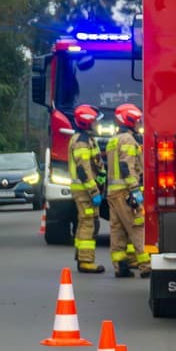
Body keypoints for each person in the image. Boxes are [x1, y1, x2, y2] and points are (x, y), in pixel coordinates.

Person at [105, 103, 151, 279]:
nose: (139, 124)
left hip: (113, 193)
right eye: (137, 120)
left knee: (117, 229)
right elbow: (126, 166)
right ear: (130, 120)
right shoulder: (128, 140)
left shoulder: (113, 140)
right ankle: (145, 266)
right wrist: (134, 189)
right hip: (125, 192)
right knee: (137, 226)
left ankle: (120, 266)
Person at [67, 104, 105, 274]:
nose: (98, 124)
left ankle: (81, 257)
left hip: (85, 190)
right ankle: (86, 261)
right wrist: (94, 191)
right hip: (85, 191)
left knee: (85, 222)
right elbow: (84, 170)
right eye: (96, 121)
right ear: (87, 122)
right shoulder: (81, 142)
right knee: (88, 223)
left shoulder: (86, 139)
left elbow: (94, 165)